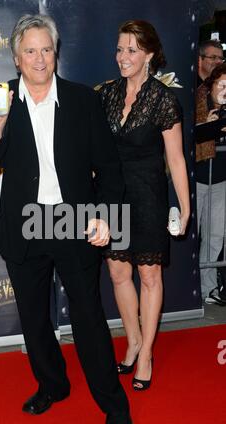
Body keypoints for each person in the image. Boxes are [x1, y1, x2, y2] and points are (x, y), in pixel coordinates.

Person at [0, 14, 132, 424]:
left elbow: (110, 169)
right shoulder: (2, 100)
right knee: (34, 318)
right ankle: (52, 385)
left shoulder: (83, 101)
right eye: (30, 50)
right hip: (25, 224)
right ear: (16, 57)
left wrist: (105, 215)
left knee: (89, 319)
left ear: (56, 52)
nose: (40, 58)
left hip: (74, 220)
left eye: (47, 49)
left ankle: (113, 404)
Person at [98, 20, 190, 390]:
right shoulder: (106, 95)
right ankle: (133, 340)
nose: (123, 57)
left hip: (148, 195)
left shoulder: (164, 99)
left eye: (132, 50)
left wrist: (184, 209)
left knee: (149, 276)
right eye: (120, 49)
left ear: (149, 54)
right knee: (119, 274)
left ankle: (147, 352)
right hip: (111, 196)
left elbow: (178, 159)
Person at [195, 63, 226, 304]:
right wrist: (206, 124)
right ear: (212, 83)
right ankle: (188, 288)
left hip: (221, 180)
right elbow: (188, 135)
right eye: (222, 84)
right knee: (191, 234)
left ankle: (208, 289)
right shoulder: (197, 100)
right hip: (197, 179)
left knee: (215, 235)